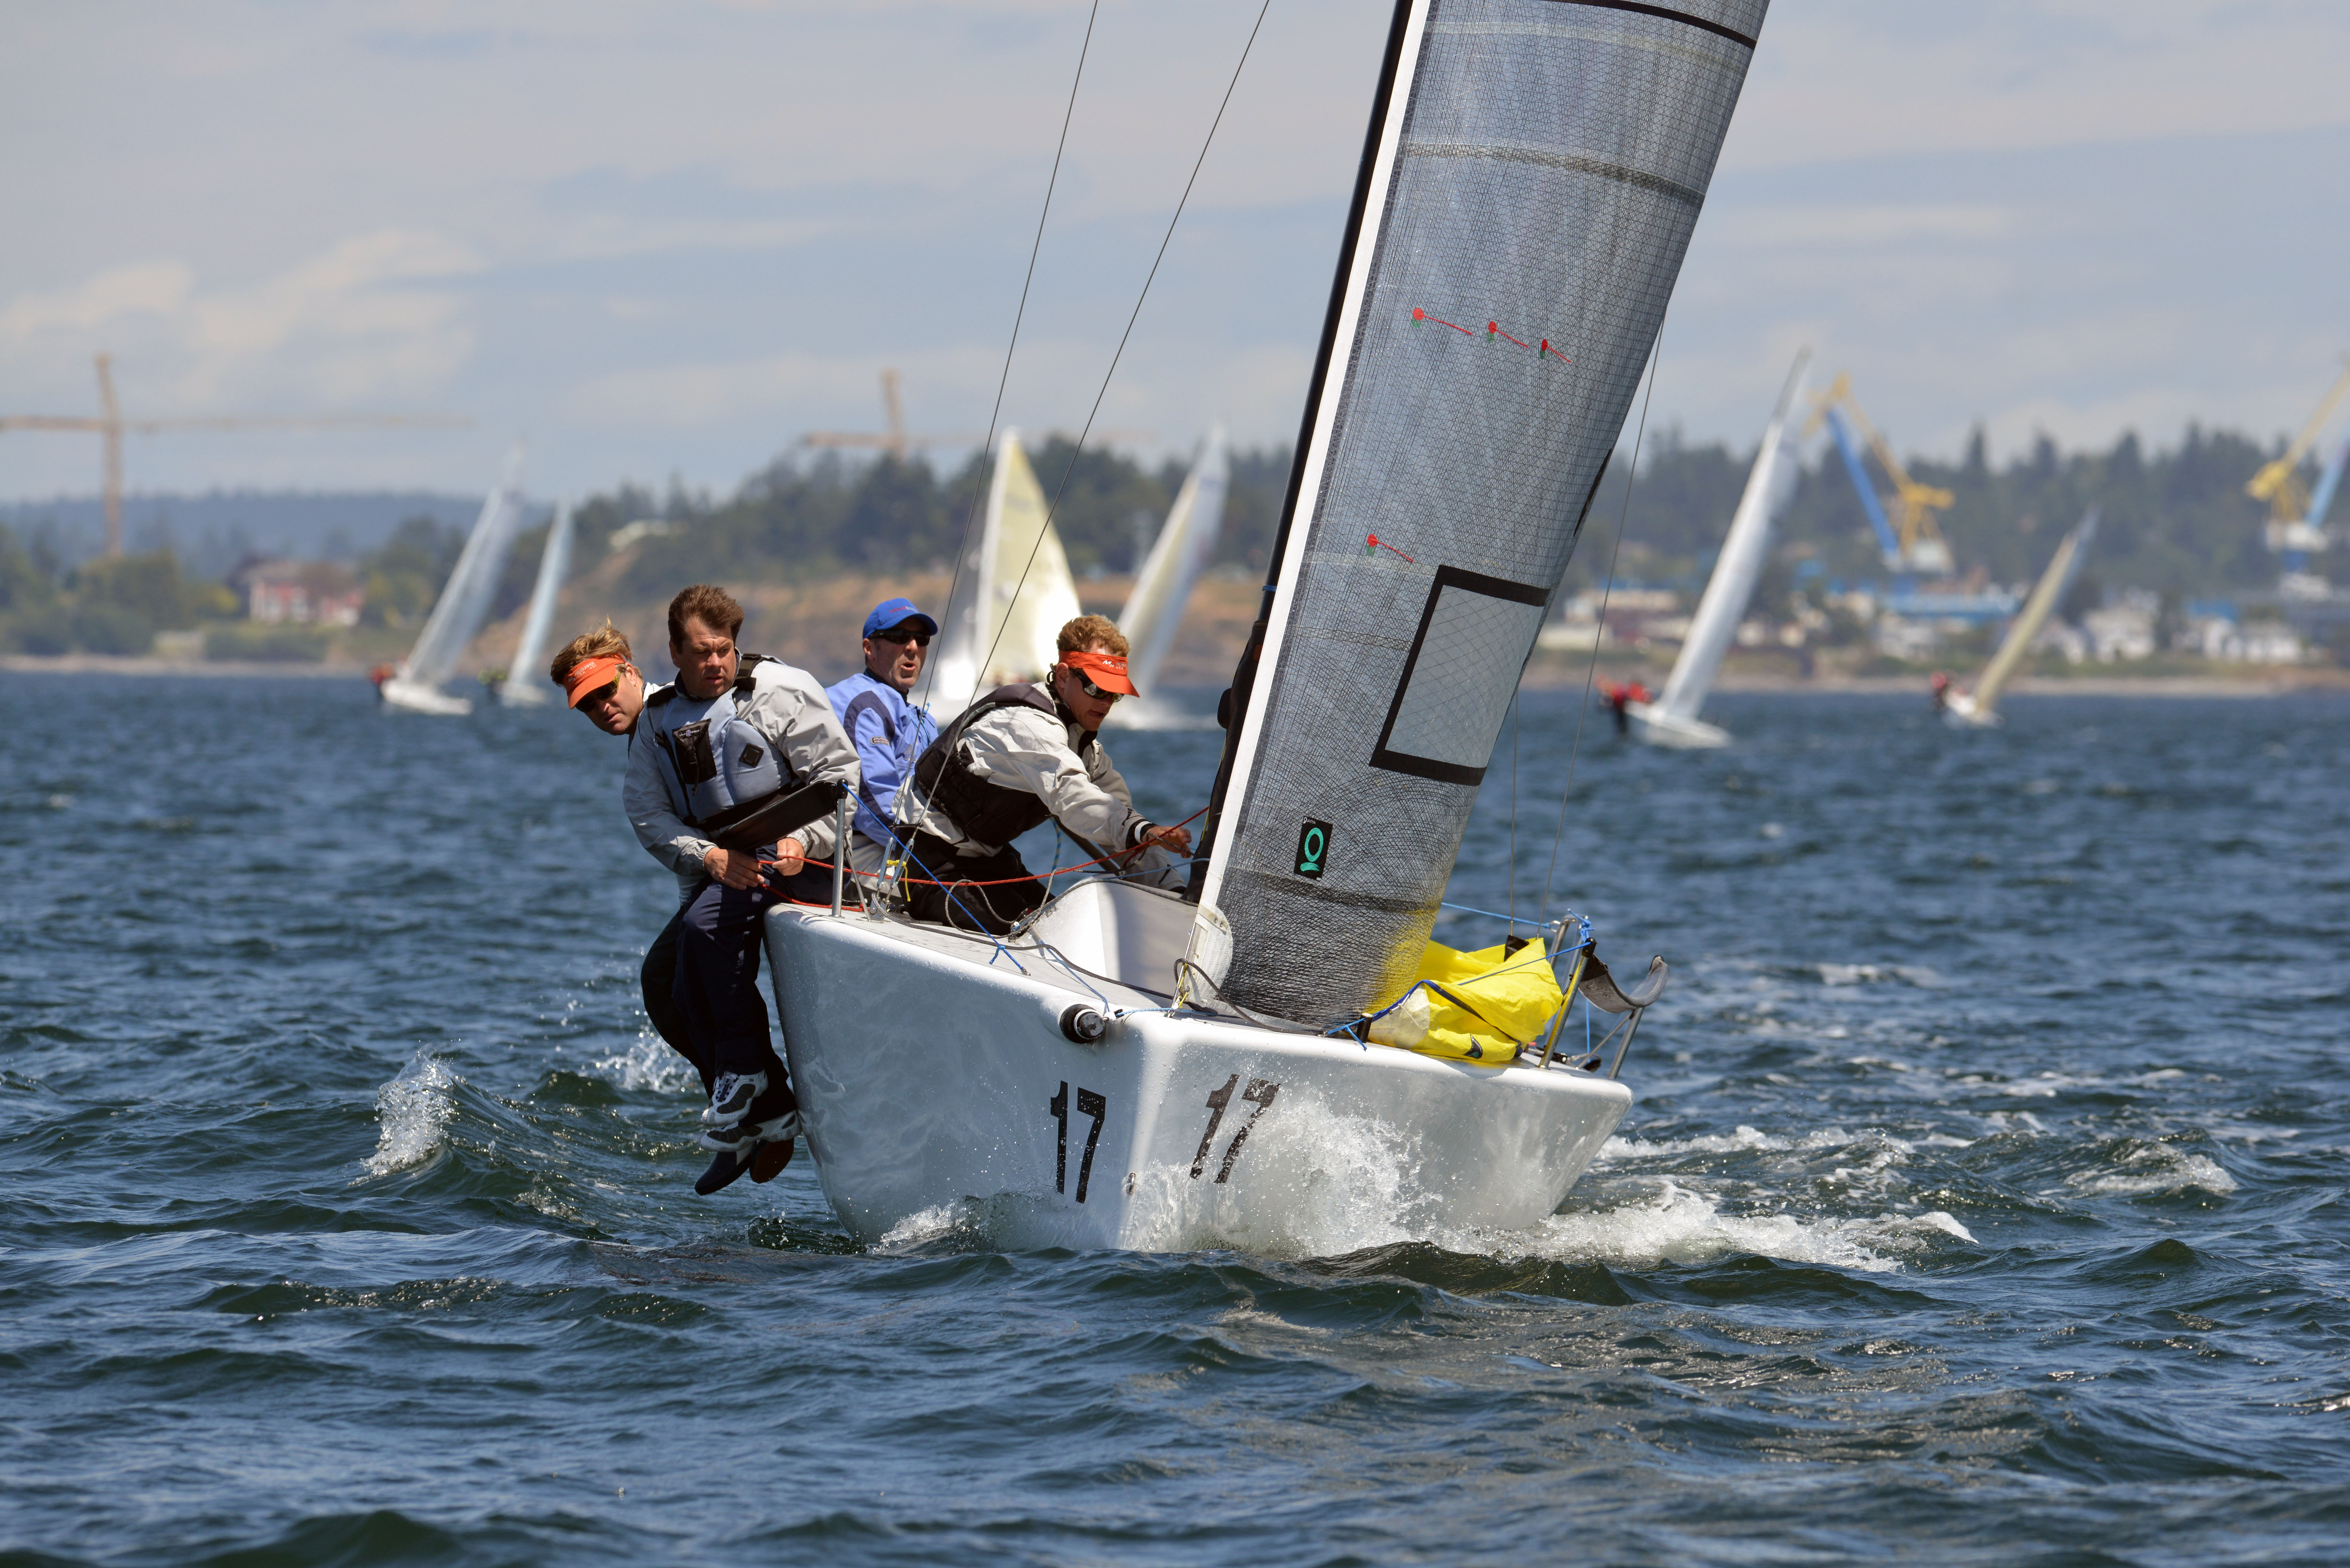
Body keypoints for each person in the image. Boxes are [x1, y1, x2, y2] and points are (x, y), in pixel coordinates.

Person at [621, 585, 860, 1195]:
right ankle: (759, 1111)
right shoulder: (656, 720)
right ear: (673, 651)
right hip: (728, 863)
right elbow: (650, 817)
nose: (715, 662)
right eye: (700, 652)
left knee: (705, 932)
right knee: (664, 982)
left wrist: (805, 839)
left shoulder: (782, 690)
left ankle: (749, 1077)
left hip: (800, 859)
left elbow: (841, 778)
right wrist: (710, 856)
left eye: (724, 649)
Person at [898, 614, 1191, 934]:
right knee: (1044, 936)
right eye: (1097, 688)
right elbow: (1075, 798)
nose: (1106, 702)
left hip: (990, 864)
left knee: (1069, 929)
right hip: (928, 868)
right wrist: (1139, 829)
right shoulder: (1027, 727)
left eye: (1115, 694)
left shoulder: (1084, 750)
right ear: (1064, 676)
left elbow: (1123, 825)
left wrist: (1176, 897)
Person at [825, 597, 940, 888]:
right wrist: (944, 849)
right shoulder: (864, 705)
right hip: (861, 855)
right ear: (869, 648)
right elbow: (873, 806)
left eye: (921, 639)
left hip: (907, 845)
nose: (913, 647)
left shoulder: (923, 719)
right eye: (899, 637)